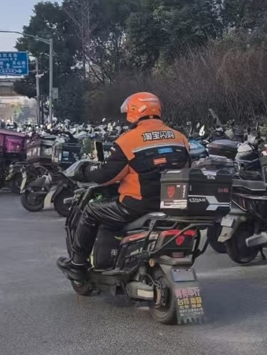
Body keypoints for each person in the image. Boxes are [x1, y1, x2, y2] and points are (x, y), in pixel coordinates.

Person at [57, 92, 190, 274]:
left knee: (91, 210)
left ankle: (78, 264)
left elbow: (106, 176)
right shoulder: (180, 138)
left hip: (138, 205)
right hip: (174, 203)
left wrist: (86, 170)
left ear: (134, 111)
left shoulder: (128, 140)